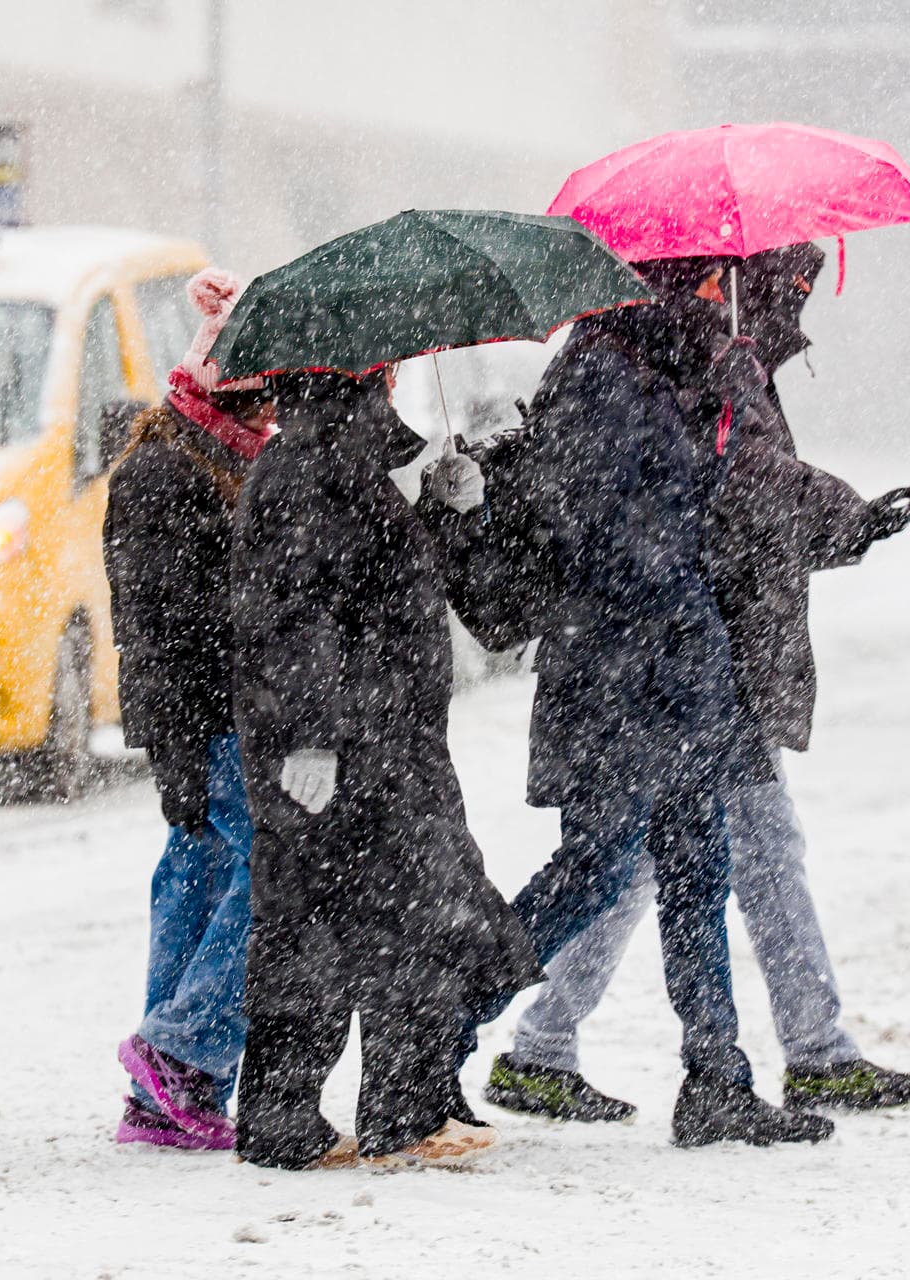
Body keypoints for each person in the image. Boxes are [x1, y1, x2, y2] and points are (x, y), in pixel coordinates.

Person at [488, 243, 910, 1122]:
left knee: (664, 864)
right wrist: (839, 517)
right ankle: (797, 1053)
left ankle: (568, 1047)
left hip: (693, 652)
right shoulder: (672, 363)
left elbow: (711, 492)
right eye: (790, 288)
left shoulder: (696, 358)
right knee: (691, 859)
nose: (798, 308)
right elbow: (727, 491)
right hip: (685, 658)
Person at [456, 258, 833, 1148]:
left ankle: (716, 1082)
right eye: (706, 286)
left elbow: (720, 494)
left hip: (680, 671)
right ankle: (445, 1022)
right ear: (663, 289)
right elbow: (608, 534)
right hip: (615, 678)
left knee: (699, 872)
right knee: (593, 871)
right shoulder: (598, 373)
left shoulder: (680, 371)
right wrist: (698, 532)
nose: (719, 300)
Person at [230, 368, 543, 1171]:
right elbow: (290, 613)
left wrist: (448, 506)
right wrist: (310, 738)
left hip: (385, 737)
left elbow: (382, 585)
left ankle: (362, 1112)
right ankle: (356, 1117)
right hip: (344, 745)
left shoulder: (345, 463)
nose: (398, 378)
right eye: (384, 372)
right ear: (353, 378)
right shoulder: (304, 469)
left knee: (378, 923)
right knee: (374, 924)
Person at [106, 268, 274, 1150]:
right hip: (211, 718)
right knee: (260, 882)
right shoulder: (167, 477)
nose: (267, 424)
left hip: (209, 716)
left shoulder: (202, 464)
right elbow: (164, 626)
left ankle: (169, 1092)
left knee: (199, 883)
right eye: (255, 408)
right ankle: (179, 1049)